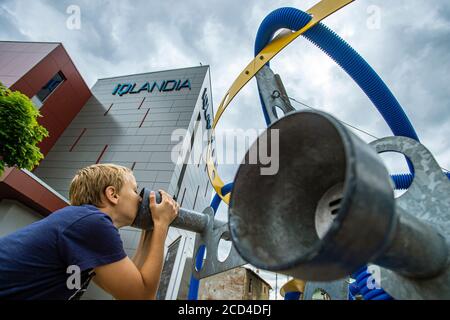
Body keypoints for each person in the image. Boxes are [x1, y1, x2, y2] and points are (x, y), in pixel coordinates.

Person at [0, 164, 179, 300]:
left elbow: (127, 290)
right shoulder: (93, 223)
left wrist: (151, 226)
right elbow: (140, 296)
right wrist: (162, 224)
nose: (140, 198)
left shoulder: (83, 223)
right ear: (113, 194)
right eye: (134, 190)